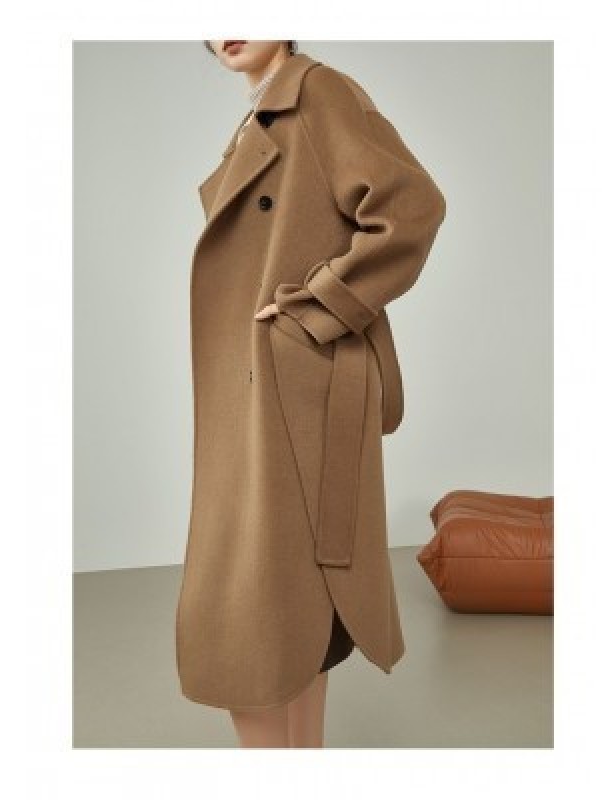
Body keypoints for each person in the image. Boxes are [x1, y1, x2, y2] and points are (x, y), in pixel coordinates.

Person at [176, 40, 447, 747]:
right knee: (288, 601)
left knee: (253, 608)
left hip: (295, 386)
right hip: (268, 385)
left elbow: (412, 206)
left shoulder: (318, 93)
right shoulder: (264, 114)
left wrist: (319, 307)